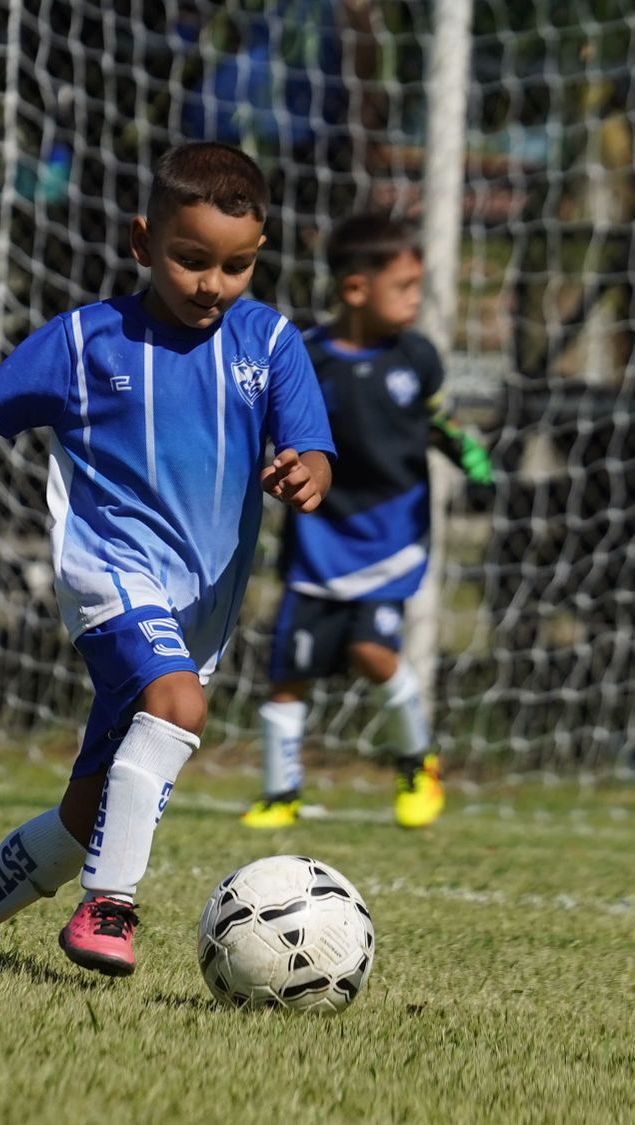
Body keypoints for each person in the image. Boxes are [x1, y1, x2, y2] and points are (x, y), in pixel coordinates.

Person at [0, 142, 336, 977]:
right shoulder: (85, 341)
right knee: (178, 704)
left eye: (233, 267)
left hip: (200, 605)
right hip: (110, 571)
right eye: (190, 259)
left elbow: (312, 448)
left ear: (257, 257)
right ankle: (110, 904)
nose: (210, 284)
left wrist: (306, 475)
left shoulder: (270, 343)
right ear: (141, 241)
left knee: (88, 810)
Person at [240, 213, 494, 831]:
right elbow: (282, 427)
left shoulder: (419, 359)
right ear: (355, 288)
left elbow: (436, 420)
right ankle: (281, 792)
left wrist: (464, 449)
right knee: (289, 672)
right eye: (404, 287)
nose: (417, 299)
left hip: (391, 536)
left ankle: (416, 760)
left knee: (372, 652)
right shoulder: (309, 358)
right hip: (318, 537)